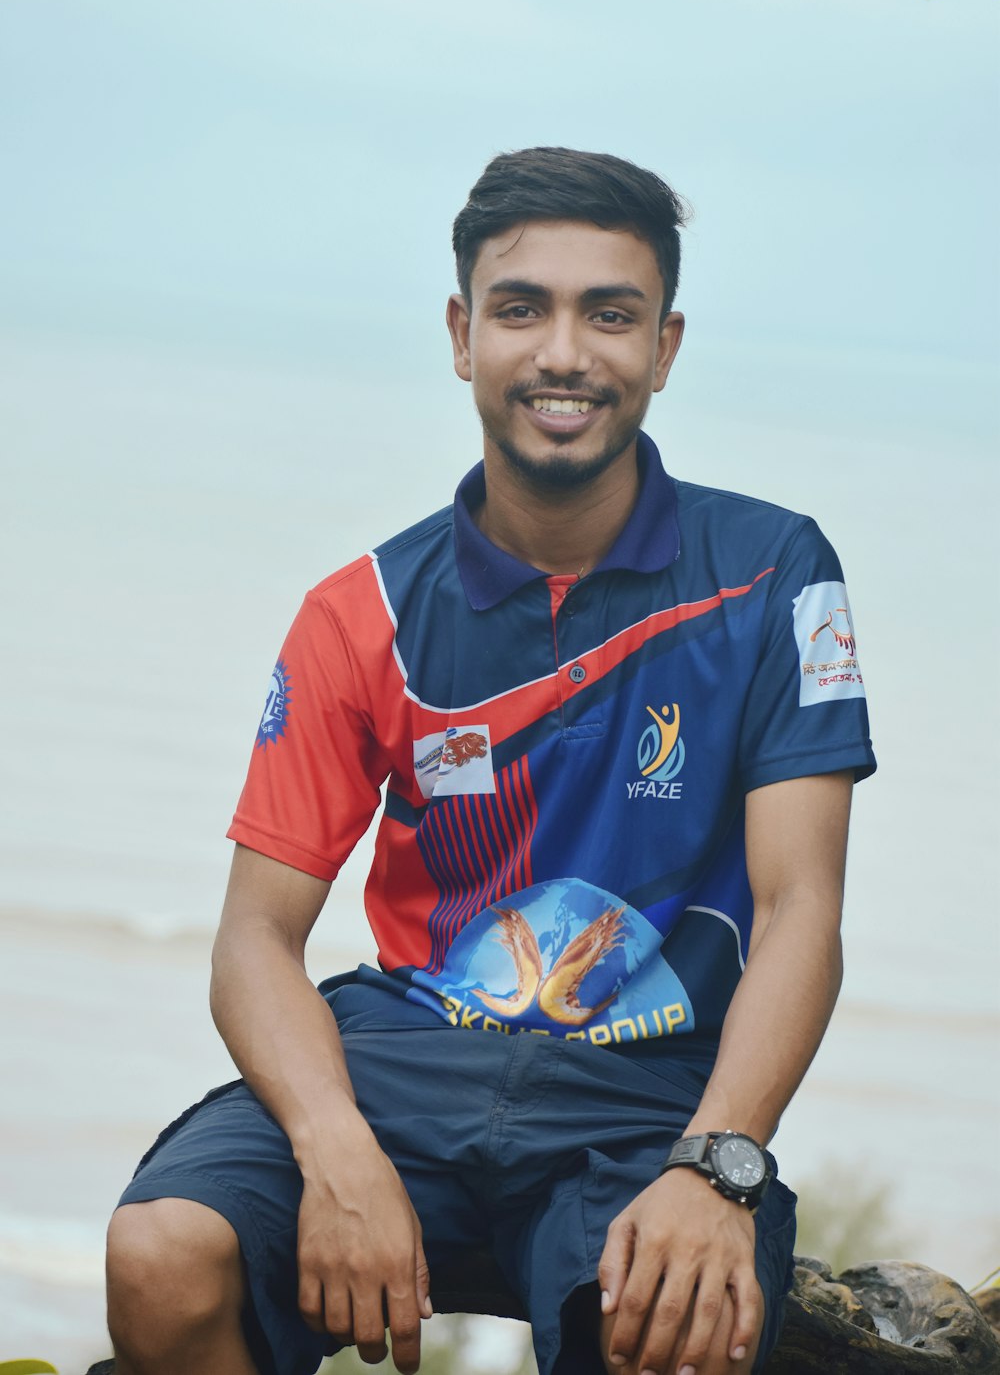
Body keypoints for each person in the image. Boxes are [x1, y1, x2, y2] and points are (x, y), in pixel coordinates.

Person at [104, 147, 875, 1375]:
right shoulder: (361, 611)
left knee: (670, 1331)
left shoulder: (773, 572)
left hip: (646, 1095)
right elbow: (254, 937)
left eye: (608, 314)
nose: (563, 352)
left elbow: (799, 909)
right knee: (158, 1258)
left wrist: (719, 1164)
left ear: (664, 348)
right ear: (463, 334)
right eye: (522, 309)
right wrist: (334, 1147)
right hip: (401, 1065)